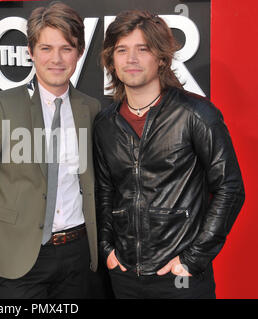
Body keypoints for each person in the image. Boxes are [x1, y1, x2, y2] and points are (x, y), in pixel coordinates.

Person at [94, 10, 245, 299]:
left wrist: (193, 259)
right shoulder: (104, 124)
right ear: (112, 60)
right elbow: (104, 191)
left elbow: (230, 188)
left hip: (181, 279)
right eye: (122, 50)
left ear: (161, 58)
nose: (131, 59)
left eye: (143, 49)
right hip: (124, 277)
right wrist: (107, 250)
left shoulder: (196, 115)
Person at [0, 2, 101, 299]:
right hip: (18, 257)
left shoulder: (92, 109)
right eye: (46, 48)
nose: (57, 59)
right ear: (31, 51)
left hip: (78, 255)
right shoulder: (1, 106)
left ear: (79, 52)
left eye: (67, 48)